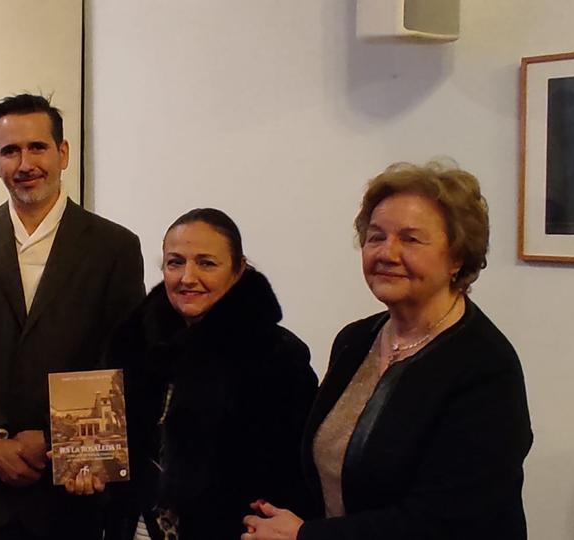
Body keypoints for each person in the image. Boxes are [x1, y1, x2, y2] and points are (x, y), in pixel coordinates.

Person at [243, 161, 532, 540]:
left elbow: (446, 522)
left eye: (411, 239)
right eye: (376, 237)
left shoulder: (486, 369)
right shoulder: (355, 340)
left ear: (457, 258)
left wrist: (304, 535)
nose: (386, 253)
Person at [0, 93, 145, 539]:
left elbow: (121, 363)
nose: (25, 163)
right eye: (10, 150)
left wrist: (54, 440)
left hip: (73, 490)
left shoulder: (115, 248)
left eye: (37, 147)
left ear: (63, 153)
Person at [93, 208, 318, 539]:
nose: (187, 277)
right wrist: (90, 466)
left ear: (239, 269)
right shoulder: (132, 345)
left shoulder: (278, 359)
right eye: (175, 262)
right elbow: (114, 449)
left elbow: (290, 481)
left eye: (207, 263)